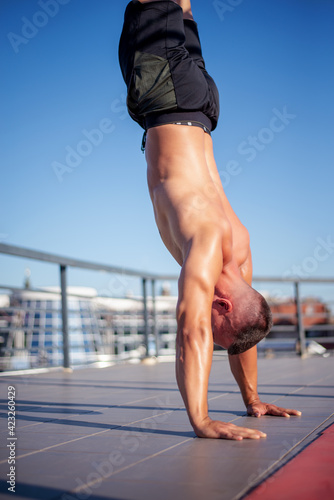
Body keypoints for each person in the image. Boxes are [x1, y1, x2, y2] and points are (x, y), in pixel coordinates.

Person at [119, 0, 301, 440]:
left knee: (179, 7)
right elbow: (193, 332)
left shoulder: (240, 251)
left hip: (202, 107)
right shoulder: (206, 246)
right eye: (215, 318)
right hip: (167, 94)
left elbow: (245, 335)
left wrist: (251, 400)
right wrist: (201, 420)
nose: (209, 317)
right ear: (220, 306)